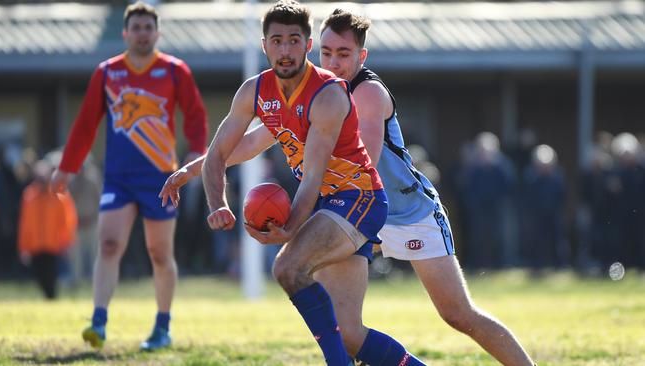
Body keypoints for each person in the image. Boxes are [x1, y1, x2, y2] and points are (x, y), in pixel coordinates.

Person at [162, 6, 537, 365]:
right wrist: (191, 170)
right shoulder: (305, 90)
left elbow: (365, 162)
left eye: (344, 53)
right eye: (327, 52)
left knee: (457, 314)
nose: (334, 62)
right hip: (347, 212)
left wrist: (302, 221)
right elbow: (248, 143)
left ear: (362, 54)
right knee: (345, 332)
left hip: (405, 211)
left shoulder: (366, 94)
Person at [200, 1, 424, 365]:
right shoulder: (254, 91)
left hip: (358, 198)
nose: (285, 50)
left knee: (287, 268)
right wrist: (217, 204)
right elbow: (218, 154)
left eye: (293, 40)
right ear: (264, 45)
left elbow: (313, 177)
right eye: (277, 40)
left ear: (306, 46)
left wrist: (289, 230)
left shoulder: (329, 94)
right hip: (328, 206)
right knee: (350, 334)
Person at [50, 1, 208, 351]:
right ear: (125, 33)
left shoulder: (173, 70)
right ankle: (98, 322)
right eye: (135, 28)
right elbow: (85, 123)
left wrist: (197, 152)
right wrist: (67, 167)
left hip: (162, 179)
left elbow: (196, 115)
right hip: (119, 178)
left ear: (157, 32)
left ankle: (162, 326)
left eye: (147, 28)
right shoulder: (107, 73)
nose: (141, 34)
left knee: (159, 254)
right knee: (108, 245)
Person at [18, 160, 78, 299]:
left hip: (53, 246)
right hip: (35, 246)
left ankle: (52, 299)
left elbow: (68, 221)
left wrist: (67, 242)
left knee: (51, 277)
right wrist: (23, 247)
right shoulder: (29, 196)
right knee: (39, 276)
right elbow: (25, 224)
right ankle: (48, 299)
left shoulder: (59, 196)